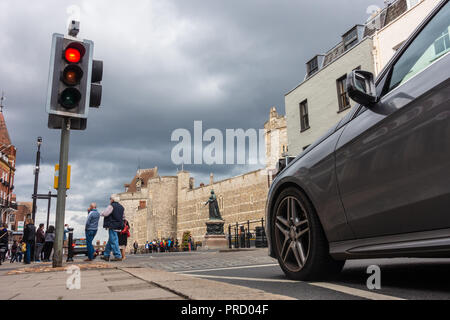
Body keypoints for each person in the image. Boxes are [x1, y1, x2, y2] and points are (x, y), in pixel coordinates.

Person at [101, 195, 124, 262]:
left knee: (113, 240)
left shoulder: (111, 206)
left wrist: (100, 213)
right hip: (118, 225)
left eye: (110, 198)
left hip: (112, 224)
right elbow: (123, 217)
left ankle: (118, 256)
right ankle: (106, 255)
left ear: (113, 199)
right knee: (110, 241)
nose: (110, 200)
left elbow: (105, 213)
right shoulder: (121, 207)